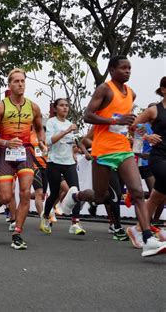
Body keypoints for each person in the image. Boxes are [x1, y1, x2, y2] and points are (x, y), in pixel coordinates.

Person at [67, 56, 166, 257]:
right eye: (123, 68)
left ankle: (147, 238)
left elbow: (128, 123)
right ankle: (76, 195)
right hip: (103, 150)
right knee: (100, 196)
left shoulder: (131, 93)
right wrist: (116, 119)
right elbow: (87, 115)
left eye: (129, 68)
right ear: (112, 70)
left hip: (123, 149)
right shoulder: (104, 89)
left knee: (137, 192)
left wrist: (141, 132)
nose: (128, 71)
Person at [0, 68, 46, 250]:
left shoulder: (33, 107)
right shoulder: (1, 106)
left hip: (25, 153)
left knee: (25, 192)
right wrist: (5, 143)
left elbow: (40, 128)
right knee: (6, 197)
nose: (20, 84)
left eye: (23, 81)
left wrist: (42, 142)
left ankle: (17, 233)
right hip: (6, 153)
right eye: (16, 81)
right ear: (9, 85)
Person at [40, 98, 87, 235]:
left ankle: (75, 223)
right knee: (54, 193)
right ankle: (45, 216)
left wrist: (78, 149)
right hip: (54, 162)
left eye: (67, 106)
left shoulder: (70, 124)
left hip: (69, 163)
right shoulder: (51, 122)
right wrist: (67, 131)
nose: (65, 108)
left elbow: (72, 143)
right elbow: (49, 141)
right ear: (55, 108)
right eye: (61, 105)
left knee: (75, 192)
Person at [128, 76, 166, 247]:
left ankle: (137, 228)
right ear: (163, 90)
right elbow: (134, 125)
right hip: (158, 157)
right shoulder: (154, 110)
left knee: (156, 196)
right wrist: (146, 136)